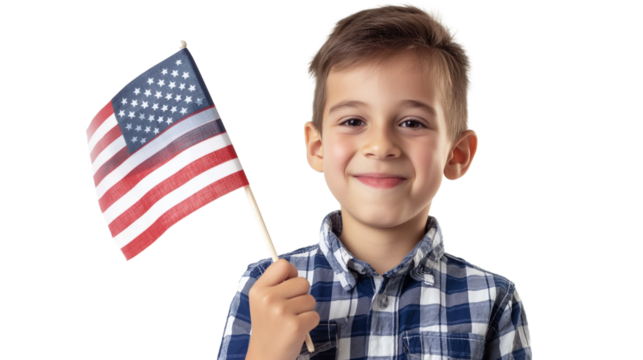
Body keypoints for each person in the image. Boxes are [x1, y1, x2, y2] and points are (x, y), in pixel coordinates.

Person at [217, 1, 532, 359]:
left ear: (457, 154)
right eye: (354, 121)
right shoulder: (266, 289)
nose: (381, 146)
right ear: (317, 147)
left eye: (412, 123)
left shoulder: (493, 300)